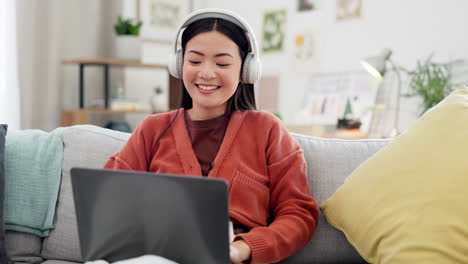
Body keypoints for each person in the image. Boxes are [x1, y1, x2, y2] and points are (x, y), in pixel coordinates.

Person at [104, 8, 318, 264]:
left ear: (246, 70)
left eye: (222, 63)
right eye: (195, 61)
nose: (206, 73)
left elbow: (298, 215)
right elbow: (108, 196)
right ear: (179, 64)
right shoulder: (152, 129)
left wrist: (243, 249)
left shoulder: (268, 130)